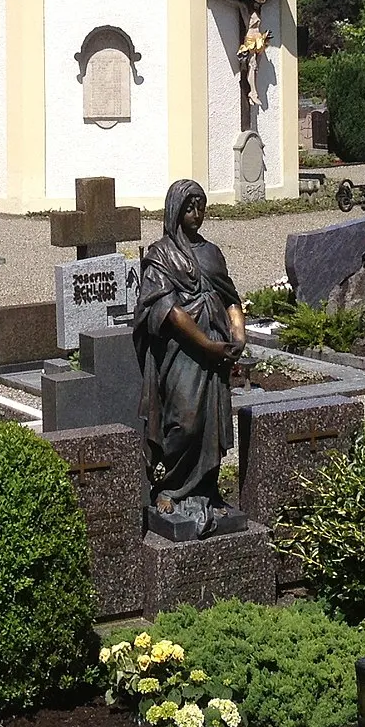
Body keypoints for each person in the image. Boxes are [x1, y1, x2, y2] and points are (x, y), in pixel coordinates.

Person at [135, 178, 246, 535]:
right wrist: (205, 344)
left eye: (201, 206)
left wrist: (238, 335)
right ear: (175, 210)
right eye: (189, 207)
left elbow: (230, 297)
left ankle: (205, 488)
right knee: (184, 421)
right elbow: (165, 309)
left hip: (215, 350)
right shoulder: (160, 255)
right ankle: (171, 486)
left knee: (212, 424)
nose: (197, 214)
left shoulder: (212, 253)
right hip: (182, 352)